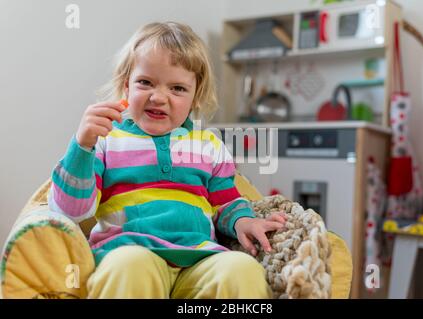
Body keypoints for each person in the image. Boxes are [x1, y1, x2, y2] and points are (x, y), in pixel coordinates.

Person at [48, 21, 286, 298]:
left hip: (198, 258)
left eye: (177, 89)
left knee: (241, 268)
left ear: (195, 96)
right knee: (129, 265)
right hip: (129, 251)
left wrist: (243, 221)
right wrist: (82, 145)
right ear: (127, 87)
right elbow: (70, 211)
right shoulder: (105, 141)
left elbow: (226, 202)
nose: (159, 97)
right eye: (145, 82)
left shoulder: (208, 145)